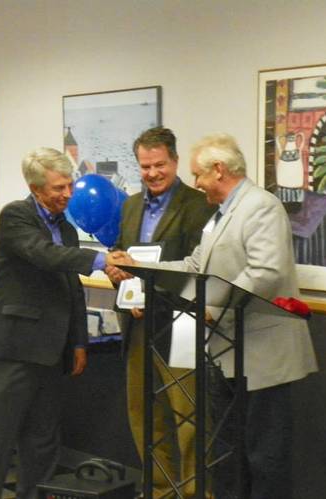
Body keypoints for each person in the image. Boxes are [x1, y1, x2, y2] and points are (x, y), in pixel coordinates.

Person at [155, 133, 318, 499]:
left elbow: (266, 272)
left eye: (198, 174)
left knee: (265, 457)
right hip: (229, 353)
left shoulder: (261, 205)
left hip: (264, 356)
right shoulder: (220, 215)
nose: (195, 183)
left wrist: (214, 307)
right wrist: (143, 267)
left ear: (218, 170)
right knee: (229, 455)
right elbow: (197, 265)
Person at [0, 147, 130, 499]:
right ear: (36, 188)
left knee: (42, 443)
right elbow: (43, 255)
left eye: (69, 185)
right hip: (11, 350)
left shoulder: (66, 230)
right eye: (58, 189)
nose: (68, 194)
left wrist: (79, 343)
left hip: (51, 353)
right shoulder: (15, 217)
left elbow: (71, 289)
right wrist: (102, 259)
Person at [105, 127, 215, 498]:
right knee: (144, 415)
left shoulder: (198, 205)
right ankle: (160, 491)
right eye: (145, 166)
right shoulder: (131, 205)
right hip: (137, 326)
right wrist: (117, 271)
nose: (152, 173)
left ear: (176, 162)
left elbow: (199, 269)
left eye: (159, 165)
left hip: (181, 324)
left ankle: (194, 493)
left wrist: (150, 288)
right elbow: (121, 254)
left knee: (187, 418)